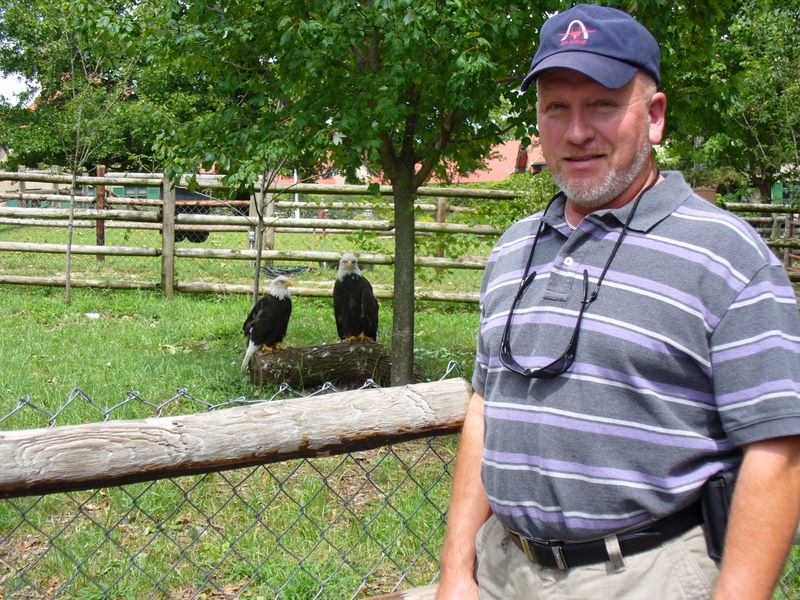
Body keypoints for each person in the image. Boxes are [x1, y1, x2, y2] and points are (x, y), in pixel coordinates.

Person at [436, 4, 800, 599]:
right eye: (557, 107)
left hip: (644, 575)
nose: (577, 132)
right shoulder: (515, 249)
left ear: (653, 116)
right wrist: (456, 570)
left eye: (602, 104)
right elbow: (486, 406)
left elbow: (778, 451)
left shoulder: (726, 257)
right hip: (503, 568)